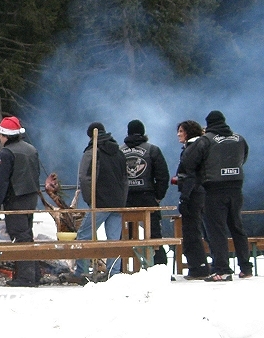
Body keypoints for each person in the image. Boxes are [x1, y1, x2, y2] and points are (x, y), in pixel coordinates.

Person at [181, 111, 251, 281]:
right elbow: (244, 157)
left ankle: (221, 269)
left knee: (216, 230)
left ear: (209, 123)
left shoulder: (206, 140)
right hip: (236, 187)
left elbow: (188, 161)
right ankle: (245, 267)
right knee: (237, 227)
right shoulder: (239, 139)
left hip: (213, 189)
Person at [65, 122, 128, 285]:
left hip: (100, 202)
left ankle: (82, 272)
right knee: (114, 240)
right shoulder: (119, 153)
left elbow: (85, 178)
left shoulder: (92, 152)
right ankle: (114, 274)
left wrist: (90, 200)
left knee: (84, 236)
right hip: (117, 202)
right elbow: (125, 179)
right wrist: (122, 199)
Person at [0, 116, 41, 287]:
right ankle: (34, 273)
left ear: (7, 135)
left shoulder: (6, 153)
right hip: (31, 196)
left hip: (15, 199)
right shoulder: (31, 149)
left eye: (0, 134)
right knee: (27, 234)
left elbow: (2, 181)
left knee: (20, 236)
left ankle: (26, 277)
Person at [120, 119, 170, 265]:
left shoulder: (119, 151)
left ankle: (121, 269)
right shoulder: (153, 150)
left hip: (126, 199)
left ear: (128, 132)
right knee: (154, 235)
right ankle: (160, 267)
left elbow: (114, 177)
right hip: (148, 197)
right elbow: (163, 176)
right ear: (143, 132)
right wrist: (158, 196)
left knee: (124, 236)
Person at [174, 120, 210, 279]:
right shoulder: (204, 145)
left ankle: (198, 267)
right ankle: (212, 264)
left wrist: (184, 198)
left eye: (181, 131)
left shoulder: (192, 148)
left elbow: (190, 174)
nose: (178, 134)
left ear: (188, 132)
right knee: (206, 229)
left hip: (194, 195)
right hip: (204, 193)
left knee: (191, 231)